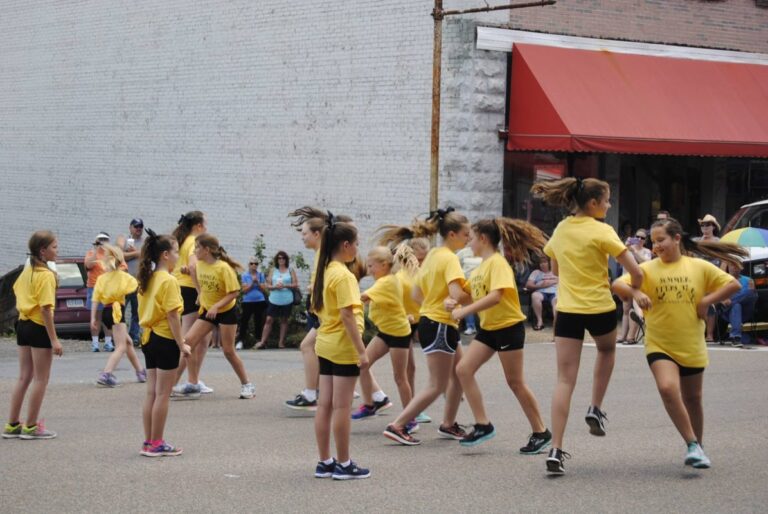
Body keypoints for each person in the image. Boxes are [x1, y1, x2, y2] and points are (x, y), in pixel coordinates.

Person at [530, 177, 643, 475]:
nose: (609, 205)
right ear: (593, 203)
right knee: (606, 350)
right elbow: (633, 269)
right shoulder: (603, 230)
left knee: (564, 380)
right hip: (599, 308)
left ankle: (555, 447)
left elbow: (554, 268)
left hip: (567, 310)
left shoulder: (562, 228)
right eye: (606, 200)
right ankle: (595, 406)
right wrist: (637, 286)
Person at [612, 217, 745, 469]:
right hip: (659, 344)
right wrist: (637, 292)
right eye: (653, 241)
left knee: (693, 398)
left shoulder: (697, 267)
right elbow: (618, 283)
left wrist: (706, 302)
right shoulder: (647, 269)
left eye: (661, 240)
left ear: (676, 238)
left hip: (692, 344)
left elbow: (733, 284)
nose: (656, 245)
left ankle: (699, 447)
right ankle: (692, 444)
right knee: (667, 388)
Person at [448, 218, 552, 452]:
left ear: (483, 239)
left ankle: (540, 431)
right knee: (463, 370)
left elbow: (496, 296)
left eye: (472, 238)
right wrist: (452, 299)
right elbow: (469, 295)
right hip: (489, 328)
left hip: (508, 327)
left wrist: (463, 311)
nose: (469, 242)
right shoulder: (481, 267)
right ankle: (483, 424)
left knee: (515, 382)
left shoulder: (498, 263)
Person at [379, 207, 471, 446]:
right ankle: (398, 425)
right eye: (465, 234)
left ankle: (448, 423)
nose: (469, 238)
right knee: (437, 384)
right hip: (440, 324)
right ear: (452, 234)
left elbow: (418, 293)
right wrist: (477, 292)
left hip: (436, 321)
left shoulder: (433, 256)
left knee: (461, 373)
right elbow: (456, 295)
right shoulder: (449, 258)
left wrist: (434, 306)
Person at [311, 214, 371, 480]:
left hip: (325, 343)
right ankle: (344, 464)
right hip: (343, 346)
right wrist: (362, 351)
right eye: (356, 244)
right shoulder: (344, 276)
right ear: (346, 245)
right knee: (342, 407)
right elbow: (348, 315)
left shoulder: (325, 270)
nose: (358, 249)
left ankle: (325, 461)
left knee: (324, 404)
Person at [3, 231, 63, 440]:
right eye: (54, 247)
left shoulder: (26, 271)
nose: (57, 250)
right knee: (41, 379)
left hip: (23, 325)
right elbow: (46, 310)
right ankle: (30, 426)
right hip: (38, 327)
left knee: (24, 376)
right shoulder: (45, 276)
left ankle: (12, 424)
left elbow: (17, 291)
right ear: (43, 250)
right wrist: (54, 339)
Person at [137, 229, 191, 456]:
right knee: (162, 394)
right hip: (164, 338)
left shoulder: (147, 279)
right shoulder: (169, 281)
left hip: (148, 338)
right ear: (165, 255)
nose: (180, 256)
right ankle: (157, 442)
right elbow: (172, 315)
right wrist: (182, 344)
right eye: (177, 252)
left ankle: (149, 441)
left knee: (152, 392)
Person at [181, 234, 256, 399]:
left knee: (228, 351)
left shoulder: (223, 268)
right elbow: (195, 274)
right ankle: (193, 384)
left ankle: (247, 385)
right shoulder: (199, 265)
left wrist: (216, 306)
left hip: (226, 312)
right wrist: (200, 293)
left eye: (197, 247)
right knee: (187, 344)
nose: (194, 250)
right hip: (208, 312)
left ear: (206, 250)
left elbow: (235, 292)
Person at [351, 246, 415, 422]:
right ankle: (371, 404)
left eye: (372, 266)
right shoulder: (385, 280)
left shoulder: (386, 282)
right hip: (386, 331)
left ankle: (410, 419)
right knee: (362, 364)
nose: (369, 270)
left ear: (385, 265)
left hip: (399, 334)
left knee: (400, 378)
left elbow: (362, 298)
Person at [170, 211, 213, 398]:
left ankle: (193, 380)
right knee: (190, 340)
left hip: (184, 289)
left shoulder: (184, 240)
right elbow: (194, 267)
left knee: (203, 339)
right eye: (205, 223)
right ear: (198, 226)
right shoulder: (192, 242)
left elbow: (188, 267)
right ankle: (171, 383)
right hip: (189, 292)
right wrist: (200, 291)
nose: (207, 227)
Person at [92, 244, 146, 387]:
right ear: (120, 261)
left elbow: (95, 299)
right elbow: (138, 287)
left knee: (127, 342)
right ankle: (106, 374)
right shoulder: (123, 276)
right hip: (117, 311)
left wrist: (93, 318)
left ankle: (140, 371)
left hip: (106, 312)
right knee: (121, 346)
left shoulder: (102, 278)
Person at [394, 237, 432, 425]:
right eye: (420, 258)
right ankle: (409, 410)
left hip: (418, 320)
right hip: (403, 323)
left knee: (412, 367)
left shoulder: (421, 274)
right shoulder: (401, 277)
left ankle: (412, 408)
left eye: (426, 258)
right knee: (405, 369)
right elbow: (395, 301)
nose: (422, 262)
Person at [256, 251, 298, 349]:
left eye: (283, 258)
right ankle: (262, 342)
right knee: (269, 319)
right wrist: (274, 287)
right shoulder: (273, 270)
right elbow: (268, 285)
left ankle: (281, 343)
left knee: (284, 320)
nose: (281, 260)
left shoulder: (290, 270)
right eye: (279, 258)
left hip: (287, 299)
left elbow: (296, 284)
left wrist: (285, 285)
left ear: (286, 259)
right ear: (277, 259)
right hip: (274, 299)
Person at [618, 229, 653, 345]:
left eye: (642, 238)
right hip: (626, 281)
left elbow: (646, 263)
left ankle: (631, 335)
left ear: (645, 240)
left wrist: (634, 251)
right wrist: (625, 248)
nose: (639, 239)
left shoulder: (646, 251)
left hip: (640, 283)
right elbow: (617, 260)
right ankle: (623, 336)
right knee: (626, 309)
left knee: (636, 306)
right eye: (637, 236)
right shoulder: (626, 249)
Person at [116, 218, 144, 345]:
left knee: (137, 311)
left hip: (139, 282)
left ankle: (134, 336)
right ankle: (120, 335)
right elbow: (119, 255)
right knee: (120, 309)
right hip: (125, 282)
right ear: (130, 227)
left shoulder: (145, 242)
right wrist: (137, 253)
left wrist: (132, 254)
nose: (139, 229)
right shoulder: (124, 240)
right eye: (136, 226)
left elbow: (147, 255)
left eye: (140, 227)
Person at [695, 214, 722, 342]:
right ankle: (699, 332)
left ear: (713, 227)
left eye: (708, 225)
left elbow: (723, 259)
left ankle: (709, 334)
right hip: (697, 276)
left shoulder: (718, 242)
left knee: (710, 305)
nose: (705, 227)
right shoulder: (696, 241)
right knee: (697, 304)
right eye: (703, 225)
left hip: (712, 276)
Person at [85, 232, 114, 352]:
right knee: (96, 317)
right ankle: (95, 343)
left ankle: (108, 342)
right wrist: (96, 250)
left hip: (107, 289)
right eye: (100, 239)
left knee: (108, 317)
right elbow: (88, 265)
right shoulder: (91, 253)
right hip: (94, 287)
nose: (103, 242)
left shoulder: (111, 254)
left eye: (105, 240)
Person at [718, 262, 758, 347]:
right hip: (728, 312)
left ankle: (735, 337)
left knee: (751, 292)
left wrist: (732, 300)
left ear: (741, 267)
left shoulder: (748, 280)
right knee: (737, 306)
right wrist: (723, 299)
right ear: (728, 267)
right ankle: (736, 336)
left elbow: (752, 296)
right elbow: (718, 296)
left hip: (746, 311)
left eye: (737, 266)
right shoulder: (724, 280)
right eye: (732, 265)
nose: (735, 268)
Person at [236, 258, 267, 350]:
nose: (254, 265)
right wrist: (252, 283)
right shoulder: (245, 276)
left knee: (258, 321)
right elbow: (244, 290)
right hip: (248, 301)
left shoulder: (260, 275)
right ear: (249, 265)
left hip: (259, 301)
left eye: (256, 264)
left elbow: (263, 289)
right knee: (244, 321)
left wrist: (257, 282)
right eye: (252, 263)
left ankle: (258, 341)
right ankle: (240, 341)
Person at [525, 257, 558, 330]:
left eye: (545, 262)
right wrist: (540, 285)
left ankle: (556, 323)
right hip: (541, 291)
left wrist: (551, 282)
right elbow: (528, 285)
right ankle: (540, 321)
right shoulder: (536, 272)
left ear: (549, 263)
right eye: (541, 263)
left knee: (556, 301)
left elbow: (563, 281)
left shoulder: (555, 271)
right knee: (534, 296)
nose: (542, 264)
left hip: (555, 292)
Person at [456, 246, 482, 335]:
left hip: (481, 281)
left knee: (482, 303)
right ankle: (470, 326)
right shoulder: (462, 252)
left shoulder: (482, 251)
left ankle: (483, 326)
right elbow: (456, 263)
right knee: (466, 304)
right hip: (466, 282)